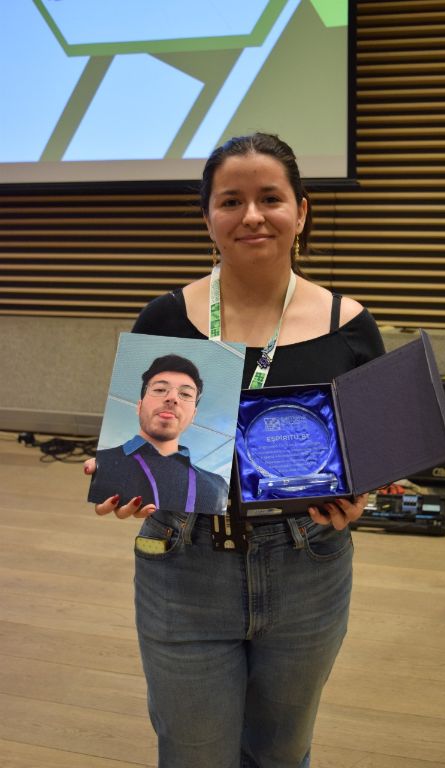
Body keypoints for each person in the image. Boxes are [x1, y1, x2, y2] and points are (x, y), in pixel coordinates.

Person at [88, 132, 385, 768]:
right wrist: (121, 474)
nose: (252, 215)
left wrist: (360, 501)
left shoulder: (351, 326)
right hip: (183, 561)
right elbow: (140, 435)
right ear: (208, 218)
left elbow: (370, 459)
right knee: (192, 753)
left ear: (301, 212)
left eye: (270, 198)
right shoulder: (164, 319)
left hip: (309, 565)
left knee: (282, 752)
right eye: (231, 201)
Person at [88, 353, 228, 516]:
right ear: (139, 406)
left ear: (193, 415)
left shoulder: (218, 486)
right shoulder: (103, 463)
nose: (172, 398)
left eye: (185, 394)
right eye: (160, 389)